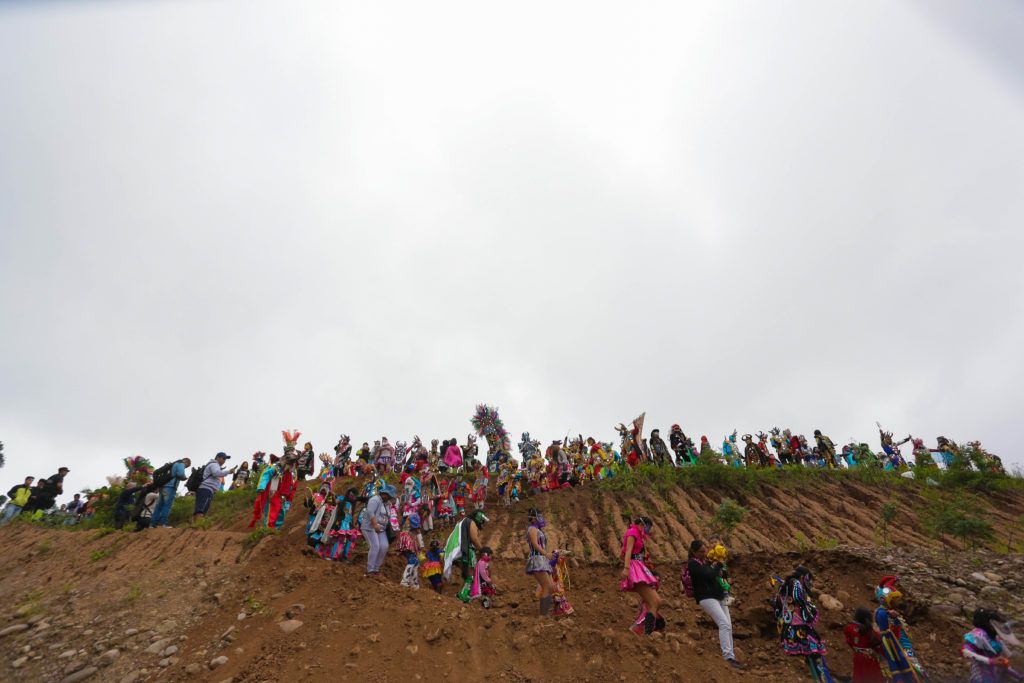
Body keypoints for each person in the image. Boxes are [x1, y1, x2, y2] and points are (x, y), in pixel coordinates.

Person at [687, 539, 739, 667]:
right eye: (701, 551)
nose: (704, 553)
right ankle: (728, 657)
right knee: (724, 623)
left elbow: (723, 575)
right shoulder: (693, 564)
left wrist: (720, 561)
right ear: (693, 552)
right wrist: (718, 565)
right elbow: (708, 575)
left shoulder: (707, 562)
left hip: (720, 596)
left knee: (729, 626)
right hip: (706, 597)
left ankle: (731, 656)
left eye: (705, 551)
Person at [773, 566, 831, 681]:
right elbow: (799, 599)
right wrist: (809, 607)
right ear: (802, 577)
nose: (808, 582)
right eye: (807, 579)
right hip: (799, 628)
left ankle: (819, 678)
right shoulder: (795, 584)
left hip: (789, 627)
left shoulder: (784, 586)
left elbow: (778, 604)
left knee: (811, 655)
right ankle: (821, 680)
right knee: (815, 652)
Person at [874, 576, 928, 682]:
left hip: (905, 646)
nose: (897, 602)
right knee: (911, 671)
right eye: (893, 599)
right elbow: (887, 632)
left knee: (918, 671)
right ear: (884, 600)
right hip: (897, 647)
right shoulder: (882, 613)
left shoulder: (892, 612)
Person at [619, 516, 662, 635]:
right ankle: (641, 629)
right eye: (648, 527)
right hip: (634, 568)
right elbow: (628, 551)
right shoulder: (632, 532)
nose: (648, 530)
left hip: (639, 566)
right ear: (643, 525)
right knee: (654, 602)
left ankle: (644, 628)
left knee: (657, 601)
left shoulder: (638, 535)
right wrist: (626, 568)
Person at [962, 607, 1022, 683]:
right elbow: (965, 651)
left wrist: (1019, 676)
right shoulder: (977, 635)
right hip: (980, 677)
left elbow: (1003, 664)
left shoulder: (996, 639)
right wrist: (990, 661)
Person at [444, 509, 488, 602]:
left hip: (458, 551)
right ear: (479, 518)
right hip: (466, 551)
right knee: (471, 575)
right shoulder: (471, 522)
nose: (482, 523)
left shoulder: (463, 521)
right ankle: (463, 595)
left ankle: (465, 593)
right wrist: (483, 550)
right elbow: (474, 539)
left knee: (466, 575)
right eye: (482, 521)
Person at [525, 507, 556, 616]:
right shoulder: (532, 529)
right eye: (538, 516)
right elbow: (535, 544)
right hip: (537, 559)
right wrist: (546, 554)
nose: (540, 518)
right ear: (533, 518)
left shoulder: (538, 529)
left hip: (542, 559)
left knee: (551, 587)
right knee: (547, 587)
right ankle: (543, 615)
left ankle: (545, 613)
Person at [360, 484, 396, 577]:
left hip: (381, 528)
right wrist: (375, 524)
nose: (390, 498)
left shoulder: (387, 503)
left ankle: (376, 568)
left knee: (384, 546)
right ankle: (370, 569)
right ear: (385, 494)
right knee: (375, 546)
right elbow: (370, 512)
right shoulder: (375, 500)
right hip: (370, 527)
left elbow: (388, 515)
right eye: (389, 496)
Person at [845, 607, 885, 683]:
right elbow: (879, 643)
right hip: (870, 658)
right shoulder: (871, 632)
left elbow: (848, 641)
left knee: (859, 678)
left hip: (857, 657)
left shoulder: (849, 628)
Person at [151, 458, 190, 528]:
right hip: (170, 487)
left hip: (162, 486)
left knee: (159, 506)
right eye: (186, 466)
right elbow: (181, 474)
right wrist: (184, 478)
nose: (185, 467)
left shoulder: (172, 464)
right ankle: (162, 524)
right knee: (167, 505)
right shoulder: (181, 464)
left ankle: (152, 524)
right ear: (186, 462)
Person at [194, 453, 234, 518]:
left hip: (207, 489)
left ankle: (196, 525)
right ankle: (197, 526)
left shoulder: (214, 465)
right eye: (223, 458)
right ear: (217, 457)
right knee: (201, 510)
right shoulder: (214, 464)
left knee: (201, 509)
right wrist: (228, 471)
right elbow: (216, 473)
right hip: (206, 489)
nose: (224, 461)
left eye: (225, 459)